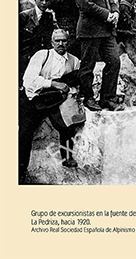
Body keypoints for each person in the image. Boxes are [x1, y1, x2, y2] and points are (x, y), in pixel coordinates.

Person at [19, 29, 83, 183]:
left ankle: (67, 157)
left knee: (68, 124)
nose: (61, 44)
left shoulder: (74, 61)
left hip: (55, 100)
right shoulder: (42, 55)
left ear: (68, 42)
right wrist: (53, 83)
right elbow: (29, 80)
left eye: (64, 41)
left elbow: (76, 83)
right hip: (35, 97)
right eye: (57, 41)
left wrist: (70, 90)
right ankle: (20, 172)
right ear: (52, 42)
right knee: (24, 134)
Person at [72, 0, 123, 111]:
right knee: (88, 66)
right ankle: (88, 98)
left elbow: (110, 0)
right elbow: (86, 5)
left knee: (114, 61)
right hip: (89, 31)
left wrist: (115, 12)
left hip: (107, 32)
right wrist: (108, 15)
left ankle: (107, 98)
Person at [19, 0, 57, 84]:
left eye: (47, 0)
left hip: (41, 54)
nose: (44, 3)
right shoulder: (24, 16)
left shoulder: (49, 17)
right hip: (26, 54)